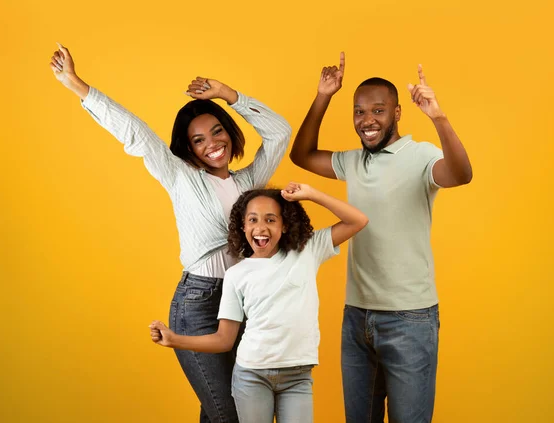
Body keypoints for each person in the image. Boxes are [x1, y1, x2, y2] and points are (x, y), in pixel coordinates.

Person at [50, 43, 291, 423]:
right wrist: (78, 85)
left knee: (222, 410)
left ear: (228, 132)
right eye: (199, 140)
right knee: (229, 414)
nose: (212, 144)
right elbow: (136, 133)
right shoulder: (180, 176)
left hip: (243, 303)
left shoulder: (250, 183)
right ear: (189, 149)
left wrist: (229, 95)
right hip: (197, 304)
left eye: (216, 132)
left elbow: (279, 133)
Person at [289, 52, 473, 423]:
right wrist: (324, 95)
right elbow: (302, 155)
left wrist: (438, 117)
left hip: (410, 319)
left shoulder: (420, 155)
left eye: (378, 110)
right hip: (357, 318)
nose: (367, 120)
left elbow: (461, 173)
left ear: (397, 113)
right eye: (359, 111)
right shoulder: (354, 162)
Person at [149, 182, 368, 423]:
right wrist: (174, 339)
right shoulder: (236, 274)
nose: (261, 228)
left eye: (271, 219)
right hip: (251, 376)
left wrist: (312, 194)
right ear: (243, 227)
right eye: (252, 220)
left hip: (297, 376)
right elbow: (224, 339)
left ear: (284, 225)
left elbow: (357, 220)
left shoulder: (307, 250)